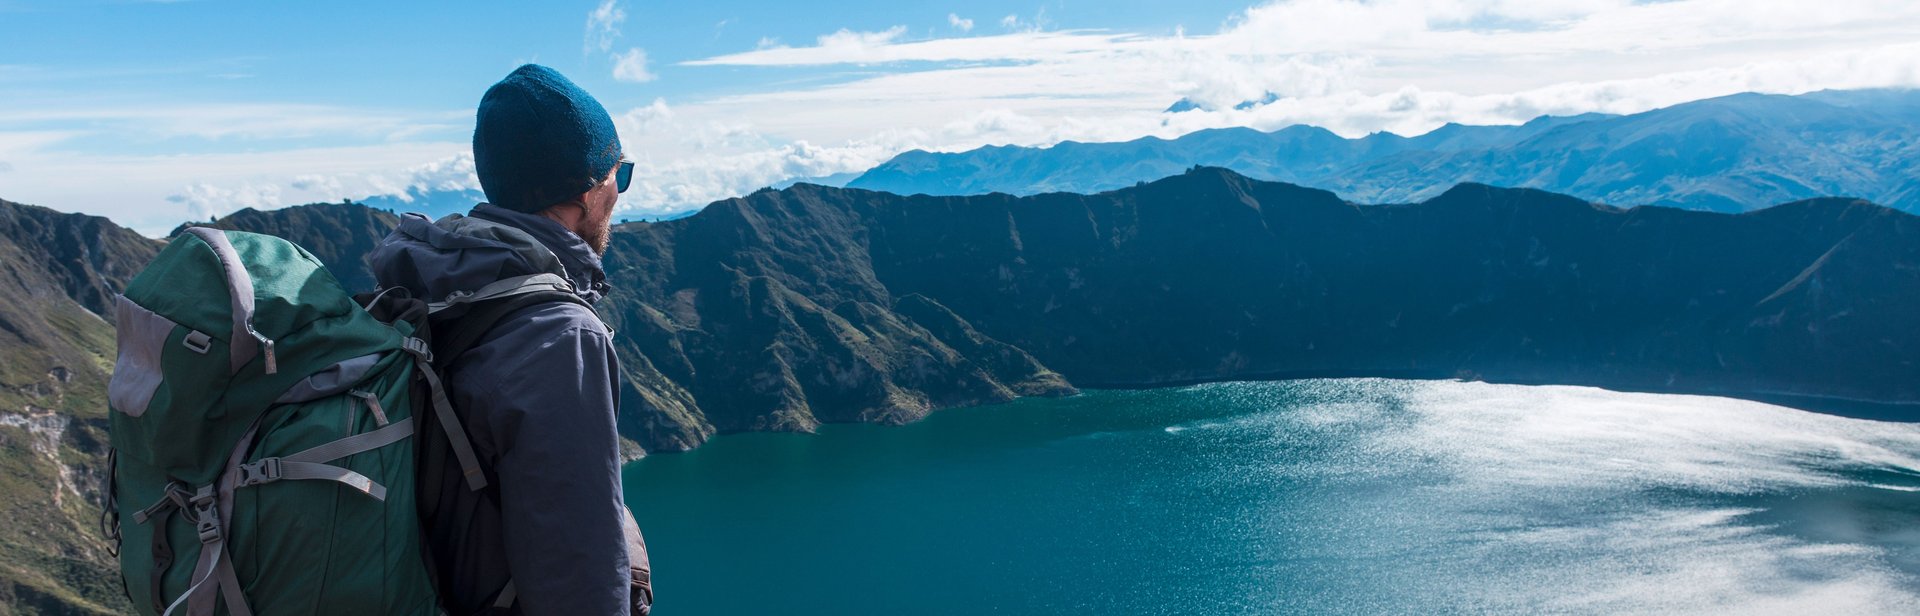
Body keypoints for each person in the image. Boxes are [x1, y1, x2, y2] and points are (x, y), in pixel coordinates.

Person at [369, 64, 650, 615]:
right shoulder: (561, 337)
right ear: (588, 187)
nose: (619, 191)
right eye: (621, 172)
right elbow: (579, 581)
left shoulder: (427, 283)